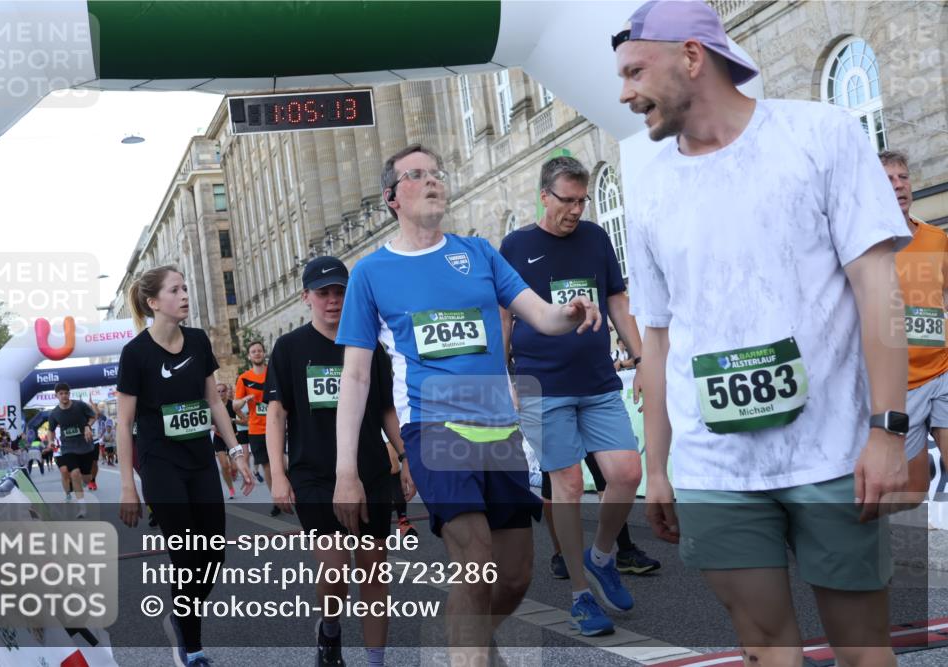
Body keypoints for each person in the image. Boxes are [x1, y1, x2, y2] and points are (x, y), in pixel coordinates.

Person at [613, 2, 910, 664]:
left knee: (863, 649)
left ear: (692, 56)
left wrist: (888, 430)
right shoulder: (651, 188)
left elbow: (878, 291)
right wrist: (657, 468)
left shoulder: (822, 134)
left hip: (833, 454)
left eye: (635, 71)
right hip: (713, 468)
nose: (625, 93)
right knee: (763, 647)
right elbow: (656, 342)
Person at [333, 144, 602, 663]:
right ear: (392, 196)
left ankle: (463, 636)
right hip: (434, 425)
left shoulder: (478, 253)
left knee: (515, 575)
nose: (433, 180)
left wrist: (571, 311)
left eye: (437, 173)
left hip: (499, 427)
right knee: (474, 560)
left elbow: (542, 317)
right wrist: (348, 468)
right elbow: (357, 375)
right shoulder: (372, 273)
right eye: (417, 175)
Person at [501, 155, 655, 635]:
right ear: (544, 195)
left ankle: (603, 556)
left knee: (627, 472)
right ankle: (581, 595)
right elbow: (504, 315)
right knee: (565, 484)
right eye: (567, 200)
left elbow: (615, 299)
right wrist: (500, 376)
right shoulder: (516, 245)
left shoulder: (595, 237)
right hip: (541, 385)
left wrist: (642, 356)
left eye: (582, 201)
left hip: (596, 378)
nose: (575, 210)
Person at [265, 256, 414, 667]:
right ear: (306, 297)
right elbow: (277, 414)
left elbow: (387, 410)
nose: (333, 301)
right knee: (334, 572)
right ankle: (330, 629)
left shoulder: (367, 344)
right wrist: (278, 474)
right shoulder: (289, 348)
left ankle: (375, 660)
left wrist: (406, 457)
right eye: (323, 293)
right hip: (314, 475)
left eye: (340, 292)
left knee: (372, 571)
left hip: (369, 473)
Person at [116, 265, 254, 667]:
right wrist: (128, 486)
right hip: (161, 465)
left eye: (185, 287)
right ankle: (192, 647)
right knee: (187, 555)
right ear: (153, 302)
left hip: (199, 462)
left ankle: (181, 609)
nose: (184, 295)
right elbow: (124, 424)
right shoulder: (136, 354)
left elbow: (214, 403)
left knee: (213, 557)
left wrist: (237, 451)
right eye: (175, 290)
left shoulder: (197, 340)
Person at [882, 150, 948, 504]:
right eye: (889, 180)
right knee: (913, 493)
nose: (898, 186)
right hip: (900, 387)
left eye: (903, 177)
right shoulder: (869, 248)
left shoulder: (937, 239)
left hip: (942, 371)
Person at [235, 341, 277, 514]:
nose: (257, 353)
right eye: (253, 351)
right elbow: (235, 405)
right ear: (249, 356)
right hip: (257, 429)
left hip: (277, 425)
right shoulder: (244, 378)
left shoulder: (273, 373)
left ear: (264, 353)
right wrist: (244, 404)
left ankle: (287, 486)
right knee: (267, 465)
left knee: (282, 462)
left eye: (260, 350)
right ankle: (277, 500)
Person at [49, 382, 96, 517]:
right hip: (68, 447)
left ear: (69, 394)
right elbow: (51, 430)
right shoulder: (55, 413)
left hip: (85, 446)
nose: (64, 396)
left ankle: (81, 484)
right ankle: (82, 508)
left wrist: (87, 426)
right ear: (56, 395)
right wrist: (51, 441)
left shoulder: (79, 406)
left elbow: (93, 416)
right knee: (74, 474)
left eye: (66, 393)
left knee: (86, 478)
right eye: (61, 393)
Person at [211, 382, 237, 499]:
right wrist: (212, 426)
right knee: (224, 466)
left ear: (226, 392)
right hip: (219, 437)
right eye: (218, 391)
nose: (220, 393)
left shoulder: (232, 405)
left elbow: (245, 420)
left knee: (234, 467)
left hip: (232, 438)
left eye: (223, 391)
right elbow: (208, 422)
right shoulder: (213, 407)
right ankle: (230, 488)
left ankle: (234, 471)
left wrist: (233, 420)